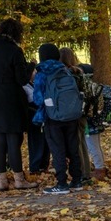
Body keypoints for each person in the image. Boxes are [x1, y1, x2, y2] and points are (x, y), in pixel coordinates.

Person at [0, 18, 36, 190]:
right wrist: (31, 65)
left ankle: (2, 180)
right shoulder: (14, 51)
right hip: (11, 100)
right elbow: (21, 79)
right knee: (13, 140)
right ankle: (19, 180)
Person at [32, 43, 84, 195]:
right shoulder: (66, 70)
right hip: (71, 114)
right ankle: (77, 179)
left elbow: (37, 98)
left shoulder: (42, 73)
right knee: (73, 148)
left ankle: (62, 182)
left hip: (53, 117)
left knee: (58, 149)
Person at [60, 48, 94, 186]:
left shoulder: (65, 75)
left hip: (70, 112)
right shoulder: (80, 73)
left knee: (76, 144)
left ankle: (81, 172)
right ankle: (86, 172)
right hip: (82, 111)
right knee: (82, 144)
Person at [79, 63, 111, 181]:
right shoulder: (97, 87)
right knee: (94, 145)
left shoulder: (89, 89)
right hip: (96, 121)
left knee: (92, 146)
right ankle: (99, 167)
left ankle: (99, 169)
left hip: (89, 122)